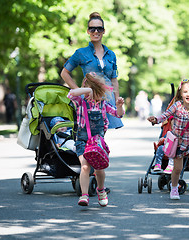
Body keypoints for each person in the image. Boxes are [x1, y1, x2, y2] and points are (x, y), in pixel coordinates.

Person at [148, 79, 189, 200]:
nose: (188, 94)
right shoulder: (177, 106)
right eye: (185, 92)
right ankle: (174, 188)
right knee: (177, 169)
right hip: (178, 142)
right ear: (181, 93)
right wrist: (156, 120)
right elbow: (165, 115)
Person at [68, 72, 124, 207]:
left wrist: (120, 105)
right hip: (82, 140)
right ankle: (84, 195)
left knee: (99, 169)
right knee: (85, 166)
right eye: (92, 91)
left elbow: (118, 114)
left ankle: (101, 190)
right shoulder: (81, 102)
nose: (95, 95)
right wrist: (88, 90)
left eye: (97, 91)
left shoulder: (103, 104)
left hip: (97, 142)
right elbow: (71, 94)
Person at [61, 12, 123, 129]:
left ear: (104, 31)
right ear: (88, 31)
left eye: (99, 29)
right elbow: (64, 73)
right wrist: (79, 90)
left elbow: (114, 80)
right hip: (90, 100)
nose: (96, 32)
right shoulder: (80, 53)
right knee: (90, 132)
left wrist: (116, 101)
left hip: (107, 100)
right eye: (92, 28)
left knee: (101, 134)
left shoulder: (111, 54)